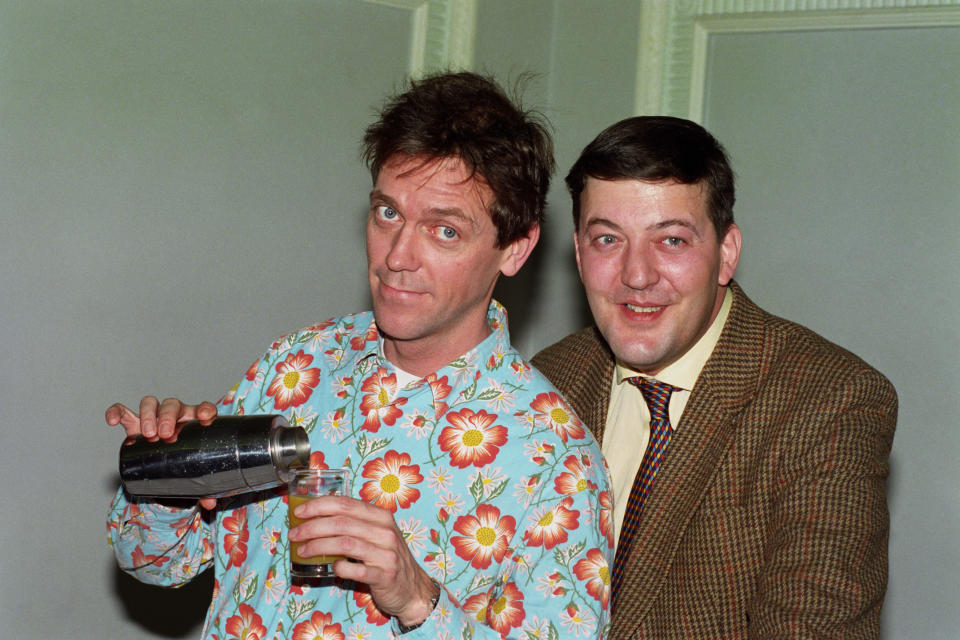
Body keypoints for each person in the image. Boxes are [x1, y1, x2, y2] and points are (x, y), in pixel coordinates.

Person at [106, 72, 613, 640]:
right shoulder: (295, 364)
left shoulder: (554, 458)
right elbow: (155, 563)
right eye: (388, 214)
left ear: (515, 249)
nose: (398, 257)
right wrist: (168, 475)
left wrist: (418, 600)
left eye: (444, 231)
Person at [531, 116, 897, 639]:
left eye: (672, 241)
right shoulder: (544, 383)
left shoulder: (829, 401)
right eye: (608, 239)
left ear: (726, 253)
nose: (637, 274)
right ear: (578, 253)